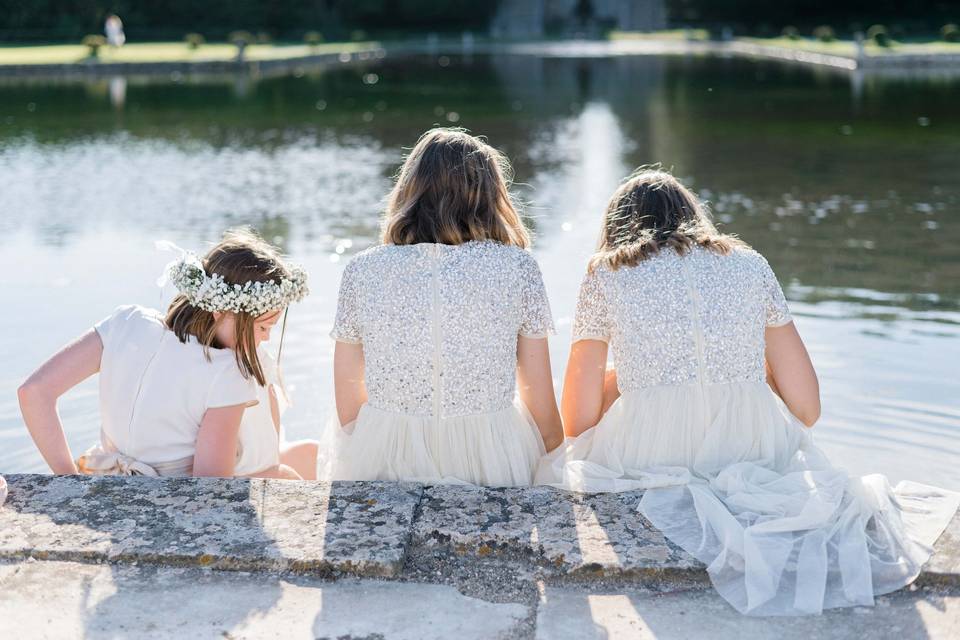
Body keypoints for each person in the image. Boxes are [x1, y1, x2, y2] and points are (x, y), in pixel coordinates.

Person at [538, 168, 959, 615]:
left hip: (648, 450)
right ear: (694, 215)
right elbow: (807, 408)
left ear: (616, 226)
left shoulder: (606, 272)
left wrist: (628, 375)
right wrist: (741, 366)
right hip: (753, 447)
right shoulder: (750, 264)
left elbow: (577, 422)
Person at [319, 127, 564, 486]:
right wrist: (556, 461)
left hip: (388, 453)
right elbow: (540, 399)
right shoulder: (518, 267)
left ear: (409, 191)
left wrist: (371, 445)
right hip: (490, 452)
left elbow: (347, 402)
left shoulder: (362, 269)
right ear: (490, 196)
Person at [18, 229, 313, 479]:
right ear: (219, 310)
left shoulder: (126, 321)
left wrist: (68, 480)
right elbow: (211, 491)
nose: (265, 339)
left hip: (100, 478)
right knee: (296, 470)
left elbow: (33, 392)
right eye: (263, 328)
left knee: (309, 453)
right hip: (171, 514)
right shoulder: (226, 371)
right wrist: (280, 476)